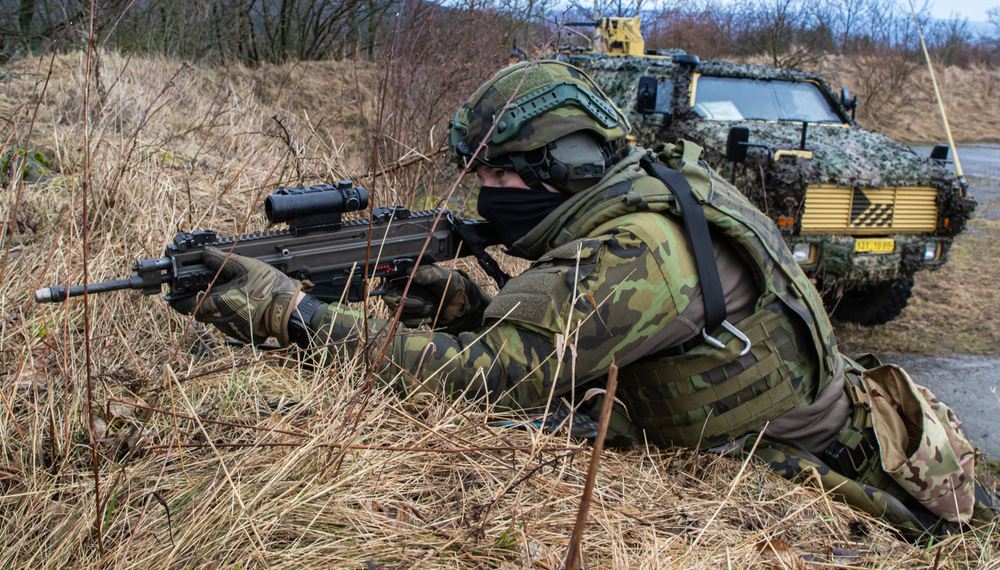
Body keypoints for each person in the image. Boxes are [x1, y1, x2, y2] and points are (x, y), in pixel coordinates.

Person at [170, 61, 997, 535]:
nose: (485, 195)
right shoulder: (654, 185)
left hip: (836, 467)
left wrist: (295, 315)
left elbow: (485, 380)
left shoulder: (638, 249)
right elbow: (601, 331)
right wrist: (457, 305)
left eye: (496, 173)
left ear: (560, 167)